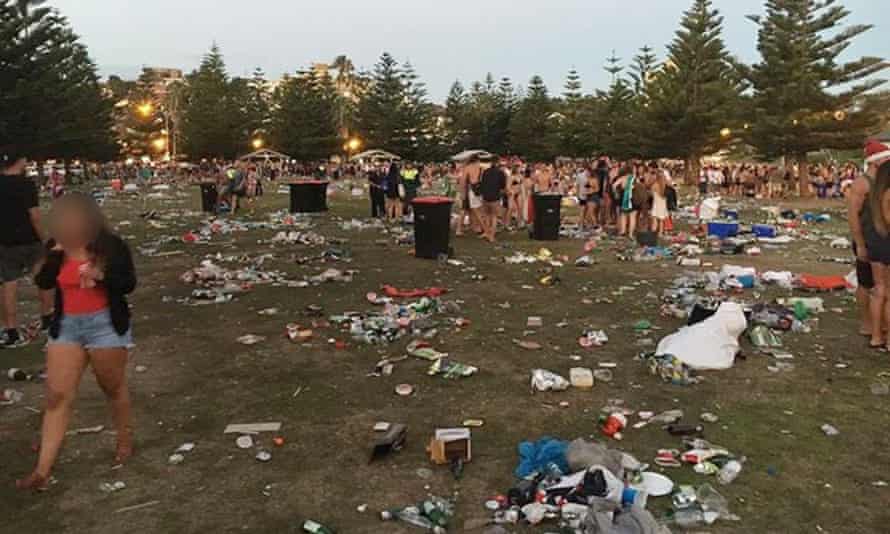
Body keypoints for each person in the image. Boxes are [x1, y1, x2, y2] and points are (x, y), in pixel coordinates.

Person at [17, 193, 137, 491]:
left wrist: (101, 274)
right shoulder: (56, 246)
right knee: (56, 396)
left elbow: (128, 283)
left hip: (105, 325)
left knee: (112, 387)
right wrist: (53, 256)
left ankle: (124, 438)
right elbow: (43, 282)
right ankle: (42, 471)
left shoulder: (111, 245)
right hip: (67, 327)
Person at [0, 150, 53, 348]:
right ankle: (47, 318)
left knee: (8, 284)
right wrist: (45, 239)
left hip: (5, 242)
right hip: (30, 240)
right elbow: (35, 216)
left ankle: (11, 330)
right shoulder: (26, 184)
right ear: (20, 161)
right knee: (42, 278)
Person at [852, 140, 890, 344]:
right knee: (868, 284)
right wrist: (859, 243)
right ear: (875, 162)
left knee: (878, 287)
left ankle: (878, 329)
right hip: (870, 240)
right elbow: (853, 216)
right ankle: (868, 324)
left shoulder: (882, 185)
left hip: (877, 240)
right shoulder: (862, 183)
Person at [863, 160, 890, 350]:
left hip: (876, 243)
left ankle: (876, 336)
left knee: (878, 290)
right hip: (887, 242)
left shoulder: (874, 194)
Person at [480, 159, 507, 242]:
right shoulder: (500, 173)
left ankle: (487, 233)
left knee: (487, 216)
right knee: (494, 217)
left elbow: (482, 183)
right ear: (497, 163)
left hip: (485, 196)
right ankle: (491, 236)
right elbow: (503, 186)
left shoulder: (485, 172)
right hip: (495, 197)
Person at [650, 169, 669, 235]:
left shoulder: (655, 185)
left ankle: (653, 231)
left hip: (656, 203)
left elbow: (651, 194)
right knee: (661, 219)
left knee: (655, 218)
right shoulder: (665, 184)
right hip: (663, 203)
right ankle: (660, 232)